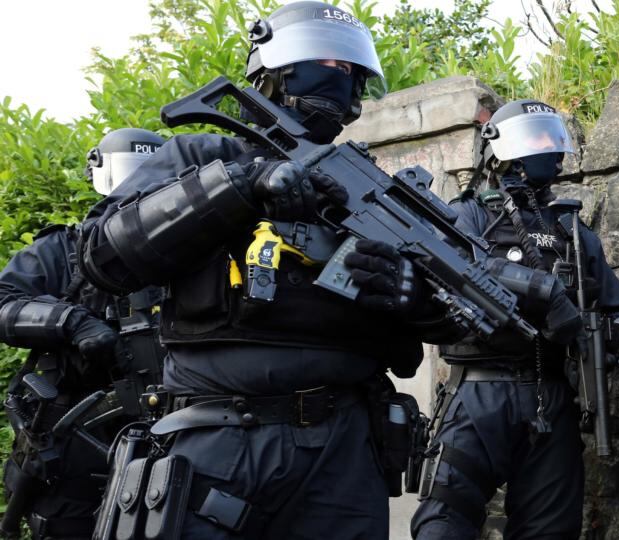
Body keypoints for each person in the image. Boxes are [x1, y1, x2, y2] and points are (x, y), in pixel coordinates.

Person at [76, 3, 554, 538]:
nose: (342, 78)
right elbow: (101, 254)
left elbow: (446, 325)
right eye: (330, 61)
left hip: (345, 451)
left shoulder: (374, 185)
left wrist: (408, 295)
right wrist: (240, 187)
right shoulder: (204, 154)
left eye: (353, 70)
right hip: (220, 438)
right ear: (278, 65)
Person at [411, 99, 619, 540]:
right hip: (479, 391)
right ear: (502, 148)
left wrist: (614, 337)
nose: (549, 147)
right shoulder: (470, 214)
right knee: (444, 524)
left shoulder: (572, 231)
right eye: (536, 137)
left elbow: (615, 309)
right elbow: (443, 263)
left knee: (551, 530)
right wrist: (540, 290)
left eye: (553, 137)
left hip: (552, 395)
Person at [0, 128, 166, 539]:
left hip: (172, 430)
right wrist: (70, 322)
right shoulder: (66, 249)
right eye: (129, 174)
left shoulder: (189, 257)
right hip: (75, 435)